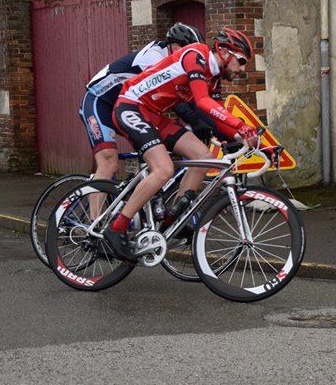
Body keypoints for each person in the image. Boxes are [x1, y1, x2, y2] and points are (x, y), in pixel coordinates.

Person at [104, 27, 259, 261]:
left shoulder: (214, 79)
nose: (242, 68)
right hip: (131, 106)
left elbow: (213, 117)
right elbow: (202, 101)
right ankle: (116, 228)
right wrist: (241, 125)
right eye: (241, 61)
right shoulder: (195, 55)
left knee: (204, 156)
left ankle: (172, 218)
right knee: (164, 168)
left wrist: (243, 139)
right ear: (225, 52)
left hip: (154, 114)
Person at [78, 22, 204, 181]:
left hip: (129, 108)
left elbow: (192, 96)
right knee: (109, 163)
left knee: (159, 154)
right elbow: (172, 97)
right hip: (99, 102)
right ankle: (99, 205)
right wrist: (193, 119)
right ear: (175, 48)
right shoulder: (154, 56)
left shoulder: (177, 63)